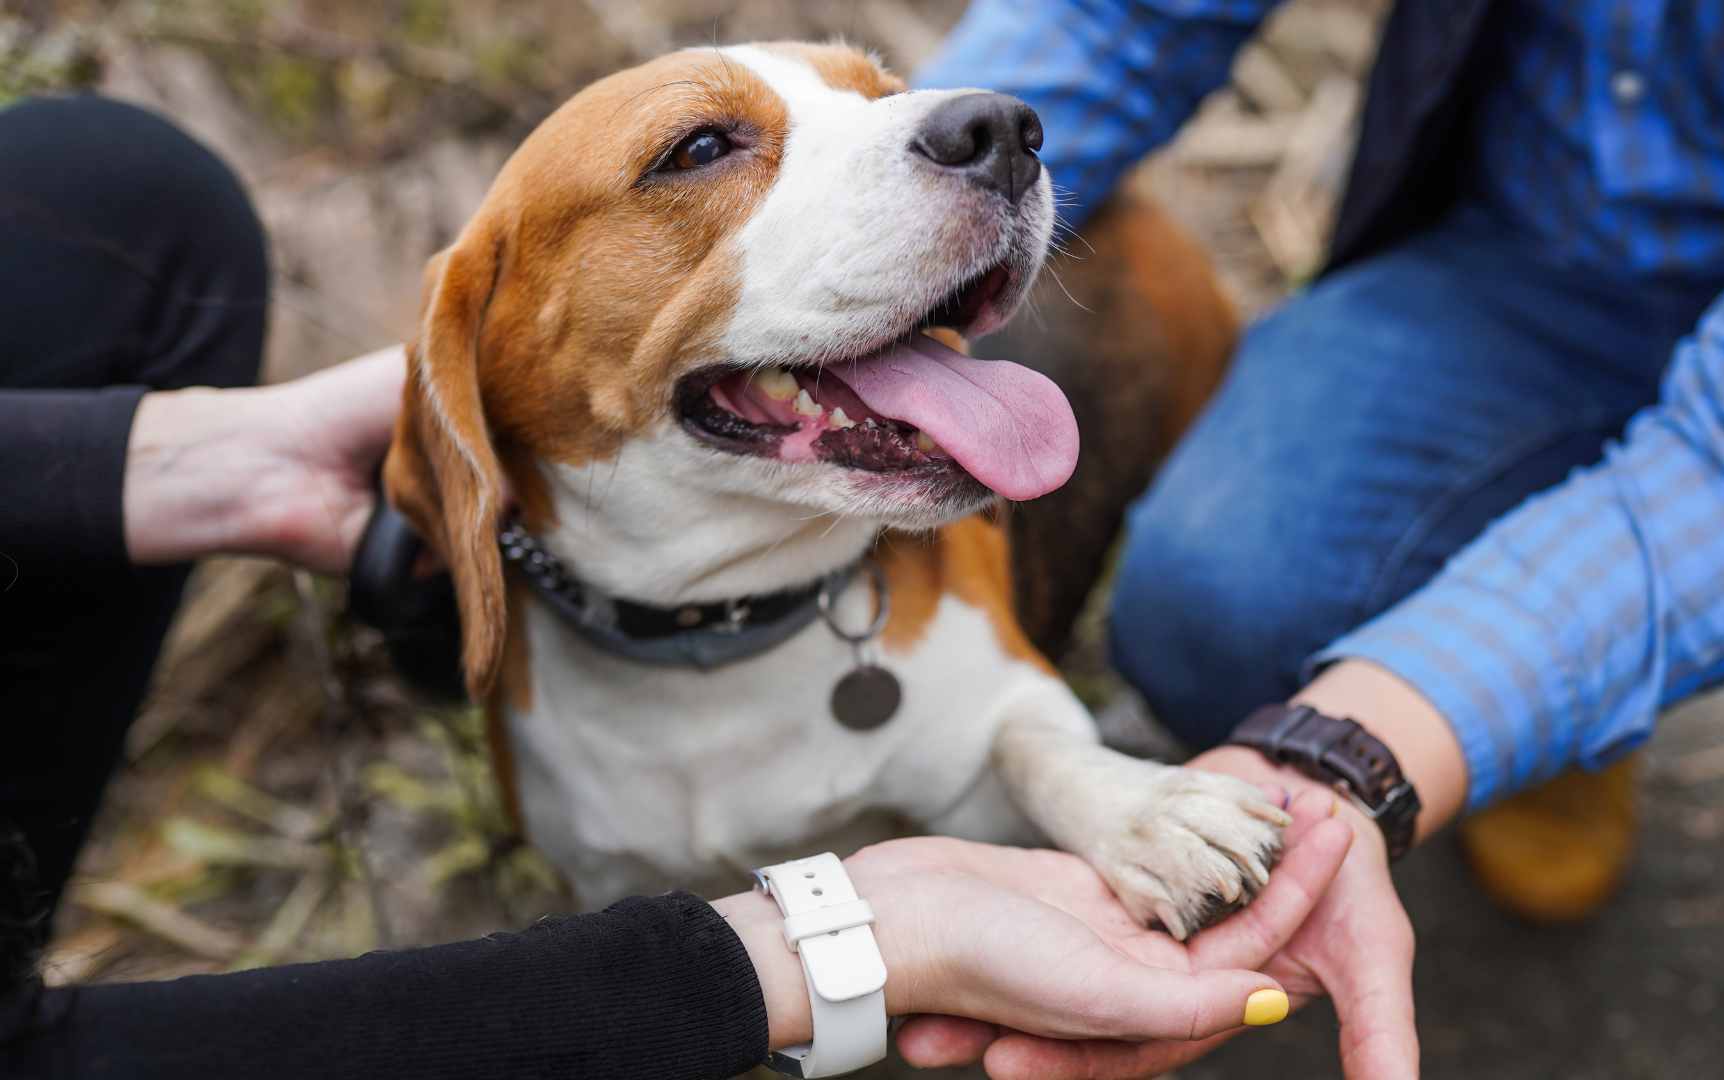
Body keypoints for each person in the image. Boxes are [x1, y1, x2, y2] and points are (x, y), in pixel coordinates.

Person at [0, 93, 1368, 1078]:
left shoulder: (949, 458)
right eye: (704, 151)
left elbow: (1014, 723)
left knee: (125, 193)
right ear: (492, 350)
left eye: (867, 102)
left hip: (1106, 388)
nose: (983, 133)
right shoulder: (478, 477)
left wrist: (1079, 787)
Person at [912, 0, 1724, 1077]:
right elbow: (1126, 20)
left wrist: (1346, 755)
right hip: (1527, 272)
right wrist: (882, 213)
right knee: (1223, 599)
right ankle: (1548, 715)